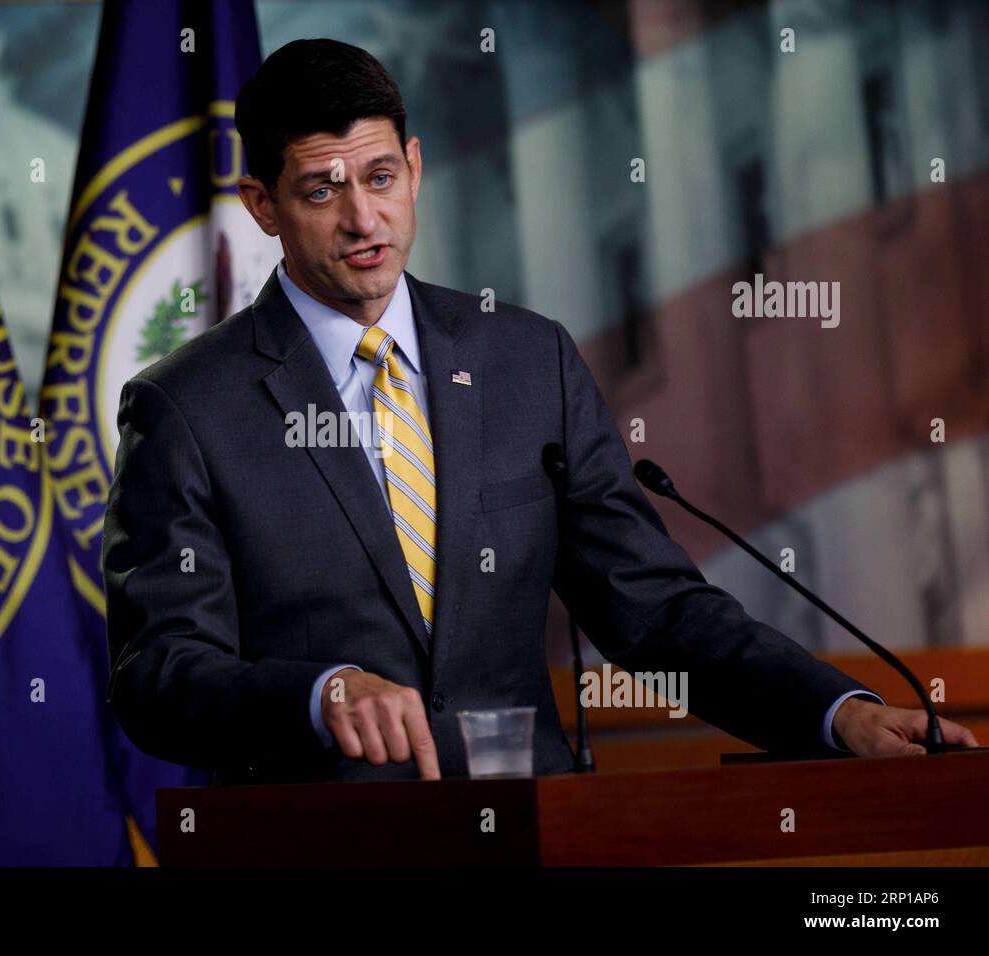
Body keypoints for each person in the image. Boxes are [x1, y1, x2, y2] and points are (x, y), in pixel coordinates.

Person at [101, 38, 977, 784]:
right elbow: (159, 676)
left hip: (534, 838)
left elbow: (657, 613)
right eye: (322, 191)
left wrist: (838, 714)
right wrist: (318, 691)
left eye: (379, 177)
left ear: (414, 169)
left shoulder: (527, 362)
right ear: (263, 206)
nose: (364, 218)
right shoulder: (186, 410)